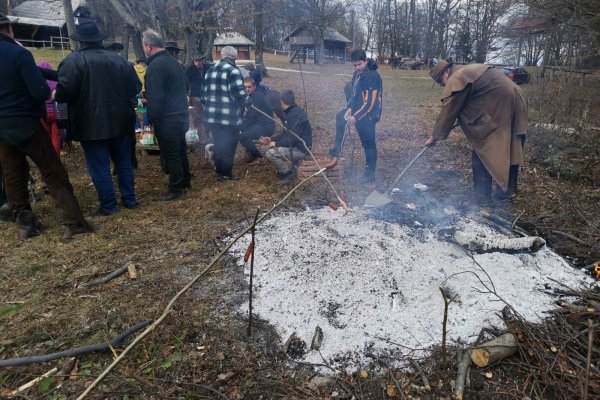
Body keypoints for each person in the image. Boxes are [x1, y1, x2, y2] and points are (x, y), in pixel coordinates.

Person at [0, 13, 95, 239]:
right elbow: (40, 91)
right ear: (9, 30)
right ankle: (73, 222)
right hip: (25, 122)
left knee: (12, 174)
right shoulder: (19, 53)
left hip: (1, 126)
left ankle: (26, 224)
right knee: (52, 170)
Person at [55, 21, 140, 216]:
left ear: (81, 42)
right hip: (120, 121)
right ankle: (129, 199)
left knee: (99, 165)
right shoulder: (120, 61)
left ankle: (109, 206)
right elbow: (134, 88)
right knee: (123, 161)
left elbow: (63, 93)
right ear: (99, 40)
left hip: (90, 124)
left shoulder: (73, 61)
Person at [424, 58, 528, 205]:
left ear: (446, 72)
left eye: (440, 81)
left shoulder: (457, 77)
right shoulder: (467, 70)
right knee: (512, 144)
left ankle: (482, 198)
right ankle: (505, 193)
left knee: (481, 151)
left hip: (503, 101)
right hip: (516, 96)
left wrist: (435, 136)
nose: (442, 85)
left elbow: (448, 110)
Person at [142, 29, 191, 200]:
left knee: (171, 154)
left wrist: (152, 118)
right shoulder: (175, 62)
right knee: (180, 150)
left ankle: (176, 190)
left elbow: (156, 97)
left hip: (167, 118)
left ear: (148, 46)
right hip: (181, 115)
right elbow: (185, 86)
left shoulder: (155, 66)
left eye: (143, 45)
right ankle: (185, 181)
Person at [328, 49, 382, 184]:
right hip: (358, 109)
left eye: (359, 64)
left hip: (370, 114)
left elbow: (370, 103)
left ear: (365, 61)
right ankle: (337, 150)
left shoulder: (372, 77)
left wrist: (356, 117)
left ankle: (369, 175)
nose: (357, 67)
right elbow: (355, 93)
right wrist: (350, 108)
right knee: (340, 117)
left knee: (368, 144)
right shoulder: (358, 74)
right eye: (354, 65)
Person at [202, 45, 250, 181]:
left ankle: (219, 170)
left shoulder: (210, 70)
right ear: (234, 57)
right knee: (229, 144)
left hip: (212, 116)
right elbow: (238, 95)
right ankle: (226, 174)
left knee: (218, 142)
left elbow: (204, 96)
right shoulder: (234, 71)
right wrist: (249, 102)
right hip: (229, 118)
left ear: (222, 56)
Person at [257, 90, 312, 184]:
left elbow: (294, 138)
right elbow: (285, 134)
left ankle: (288, 174)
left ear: (282, 102)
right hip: (294, 145)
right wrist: (272, 139)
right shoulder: (289, 112)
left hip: (302, 149)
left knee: (271, 153)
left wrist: (276, 144)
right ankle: (283, 169)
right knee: (263, 148)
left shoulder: (295, 115)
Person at [239, 76, 275, 163]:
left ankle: (257, 156)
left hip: (266, 126)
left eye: (249, 87)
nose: (247, 89)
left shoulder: (257, 97)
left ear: (254, 86)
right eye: (245, 87)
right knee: (243, 133)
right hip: (258, 124)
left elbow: (250, 116)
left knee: (243, 137)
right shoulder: (253, 95)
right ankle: (252, 153)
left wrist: (240, 127)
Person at [36, 60, 61, 154]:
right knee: (56, 137)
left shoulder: (37, 82)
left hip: (43, 113)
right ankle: (56, 158)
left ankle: (48, 157)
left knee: (46, 137)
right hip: (55, 112)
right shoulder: (55, 82)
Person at [185, 54, 209, 143]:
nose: (198, 62)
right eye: (196, 61)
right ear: (194, 61)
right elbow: (186, 83)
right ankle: (201, 137)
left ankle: (206, 135)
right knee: (197, 117)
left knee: (207, 116)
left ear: (203, 60)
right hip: (195, 96)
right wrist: (186, 94)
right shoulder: (190, 70)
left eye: (199, 60)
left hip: (208, 95)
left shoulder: (208, 68)